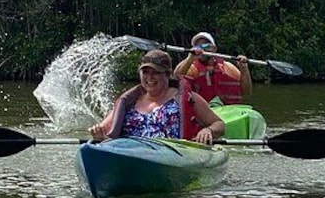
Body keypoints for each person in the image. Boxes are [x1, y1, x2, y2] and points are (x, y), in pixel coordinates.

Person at [88, 49, 225, 145]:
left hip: (170, 156)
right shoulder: (129, 102)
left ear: (167, 74)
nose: (150, 77)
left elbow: (219, 124)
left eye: (156, 72)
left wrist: (209, 130)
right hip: (130, 155)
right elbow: (104, 131)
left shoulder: (187, 98)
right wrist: (99, 135)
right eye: (145, 72)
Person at [173, 31, 252, 105]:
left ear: (214, 49)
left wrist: (244, 69)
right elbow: (176, 77)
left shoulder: (227, 68)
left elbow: (246, 92)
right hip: (202, 113)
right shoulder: (191, 68)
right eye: (197, 46)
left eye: (205, 46)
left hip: (227, 112)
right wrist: (190, 58)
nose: (201, 49)